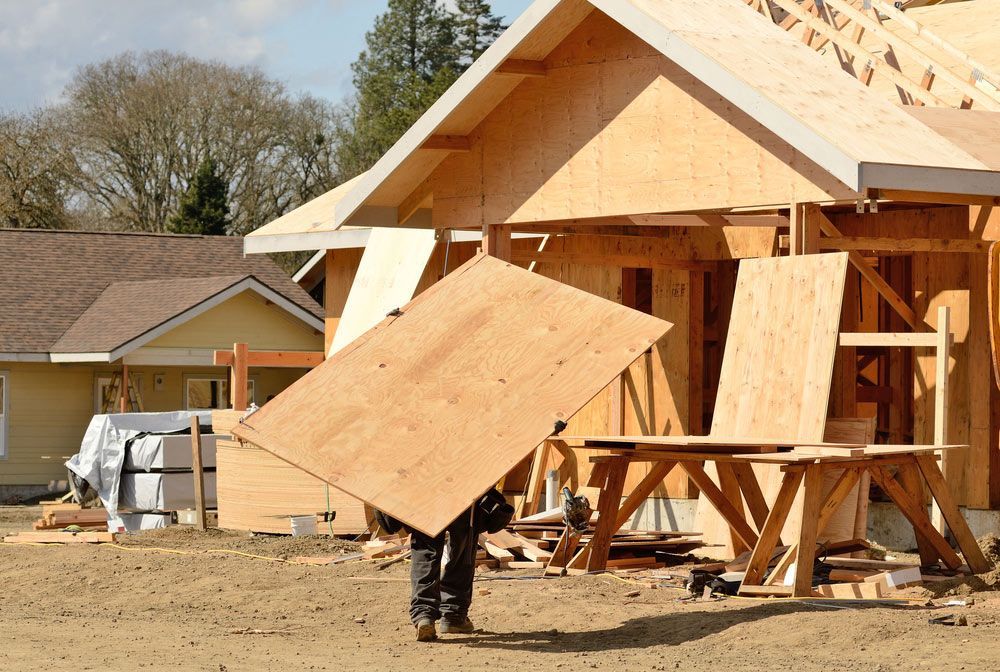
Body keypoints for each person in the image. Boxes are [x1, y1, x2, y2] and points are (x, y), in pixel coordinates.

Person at [409, 506, 477, 642]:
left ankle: (424, 615)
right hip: (463, 489)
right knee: (463, 542)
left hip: (422, 491)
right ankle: (453, 614)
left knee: (425, 546)